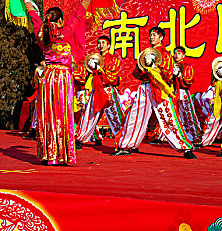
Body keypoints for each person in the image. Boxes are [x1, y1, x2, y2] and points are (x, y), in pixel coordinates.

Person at [21, 0, 99, 165]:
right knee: (63, 116)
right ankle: (64, 155)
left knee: (47, 115)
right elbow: (79, 14)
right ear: (61, 20)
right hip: (63, 78)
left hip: (48, 78)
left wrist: (26, 0)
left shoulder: (43, 35)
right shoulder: (65, 32)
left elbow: (34, 17)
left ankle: (48, 155)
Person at [112, 26, 197, 159]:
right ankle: (126, 145)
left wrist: (154, 68)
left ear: (161, 37)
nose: (151, 37)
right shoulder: (145, 53)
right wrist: (143, 68)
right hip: (144, 87)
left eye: (155, 35)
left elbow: (168, 75)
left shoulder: (165, 54)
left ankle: (185, 148)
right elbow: (136, 72)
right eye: (150, 35)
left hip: (159, 88)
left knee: (168, 116)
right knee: (135, 115)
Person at [75, 35, 124, 149]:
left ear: (109, 45)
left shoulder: (114, 59)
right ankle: (80, 139)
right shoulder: (93, 59)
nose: (100, 45)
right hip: (96, 90)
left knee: (116, 116)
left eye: (103, 43)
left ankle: (123, 141)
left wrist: (99, 69)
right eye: (99, 43)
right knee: (89, 114)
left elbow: (112, 77)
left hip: (108, 90)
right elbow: (85, 76)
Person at [172, 46, 202, 145]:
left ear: (183, 55)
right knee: (173, 114)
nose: (177, 55)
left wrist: (180, 76)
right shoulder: (170, 66)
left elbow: (189, 81)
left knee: (188, 114)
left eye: (179, 53)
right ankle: (176, 136)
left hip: (183, 92)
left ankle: (194, 136)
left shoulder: (187, 66)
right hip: (173, 92)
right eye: (175, 53)